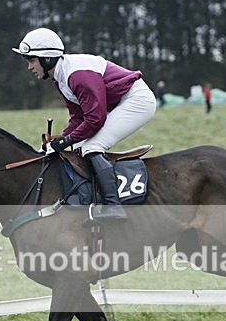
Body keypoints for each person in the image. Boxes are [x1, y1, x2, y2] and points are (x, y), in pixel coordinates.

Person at [12, 27, 156, 222]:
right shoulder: (61, 78)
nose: (29, 67)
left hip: (137, 100)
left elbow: (95, 119)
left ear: (47, 59)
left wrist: (63, 143)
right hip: (118, 102)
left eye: (31, 60)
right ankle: (89, 201)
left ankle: (114, 206)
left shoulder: (77, 76)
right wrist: (58, 142)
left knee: (91, 146)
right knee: (79, 147)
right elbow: (78, 118)